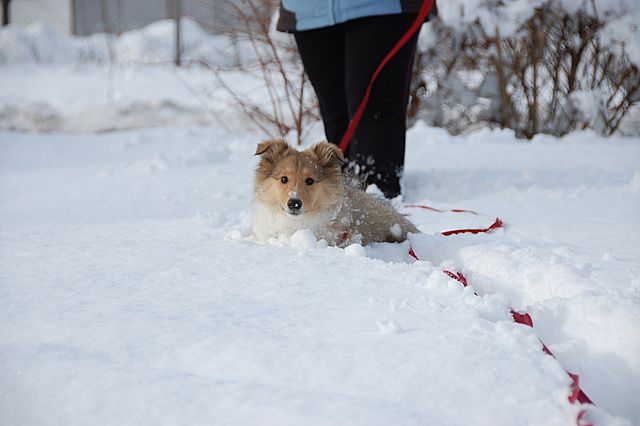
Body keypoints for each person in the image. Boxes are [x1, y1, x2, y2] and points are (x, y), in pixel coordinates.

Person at [276, 0, 437, 199]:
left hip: (382, 8)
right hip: (308, 10)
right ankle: (345, 198)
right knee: (335, 111)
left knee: (375, 110)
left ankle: (379, 199)